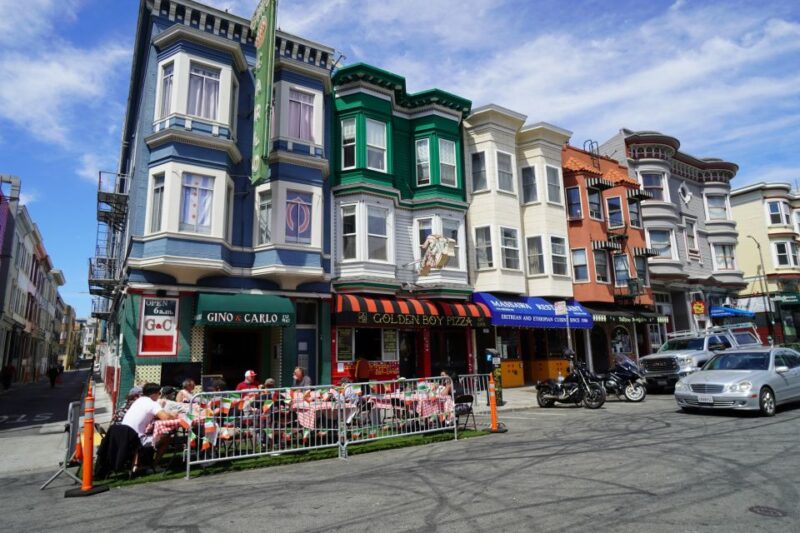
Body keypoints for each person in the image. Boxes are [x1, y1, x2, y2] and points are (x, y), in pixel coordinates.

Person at [121, 383, 176, 467]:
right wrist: (173, 415)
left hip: (124, 436)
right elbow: (166, 418)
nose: (159, 396)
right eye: (159, 393)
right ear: (154, 394)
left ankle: (145, 461)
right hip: (136, 440)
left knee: (154, 433)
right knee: (167, 438)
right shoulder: (152, 404)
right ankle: (154, 465)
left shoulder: (139, 400)